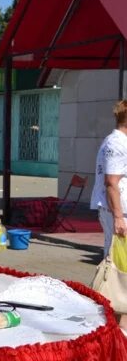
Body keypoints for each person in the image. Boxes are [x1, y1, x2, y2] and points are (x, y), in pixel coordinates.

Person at [90, 100, 127, 331]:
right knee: (117, 268)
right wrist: (118, 217)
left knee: (122, 266)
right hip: (120, 213)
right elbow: (111, 182)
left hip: (119, 212)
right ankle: (113, 320)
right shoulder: (116, 143)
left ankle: (117, 319)